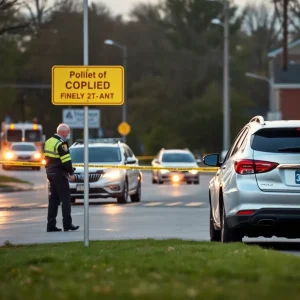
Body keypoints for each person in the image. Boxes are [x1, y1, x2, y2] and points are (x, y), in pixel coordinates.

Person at [44, 123, 79, 232]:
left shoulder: (48, 141)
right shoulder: (62, 143)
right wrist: (71, 173)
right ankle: (67, 224)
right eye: (67, 132)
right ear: (62, 132)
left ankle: (51, 225)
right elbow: (66, 161)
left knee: (53, 200)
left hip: (50, 173)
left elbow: (47, 158)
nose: (68, 134)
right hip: (59, 174)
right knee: (66, 199)